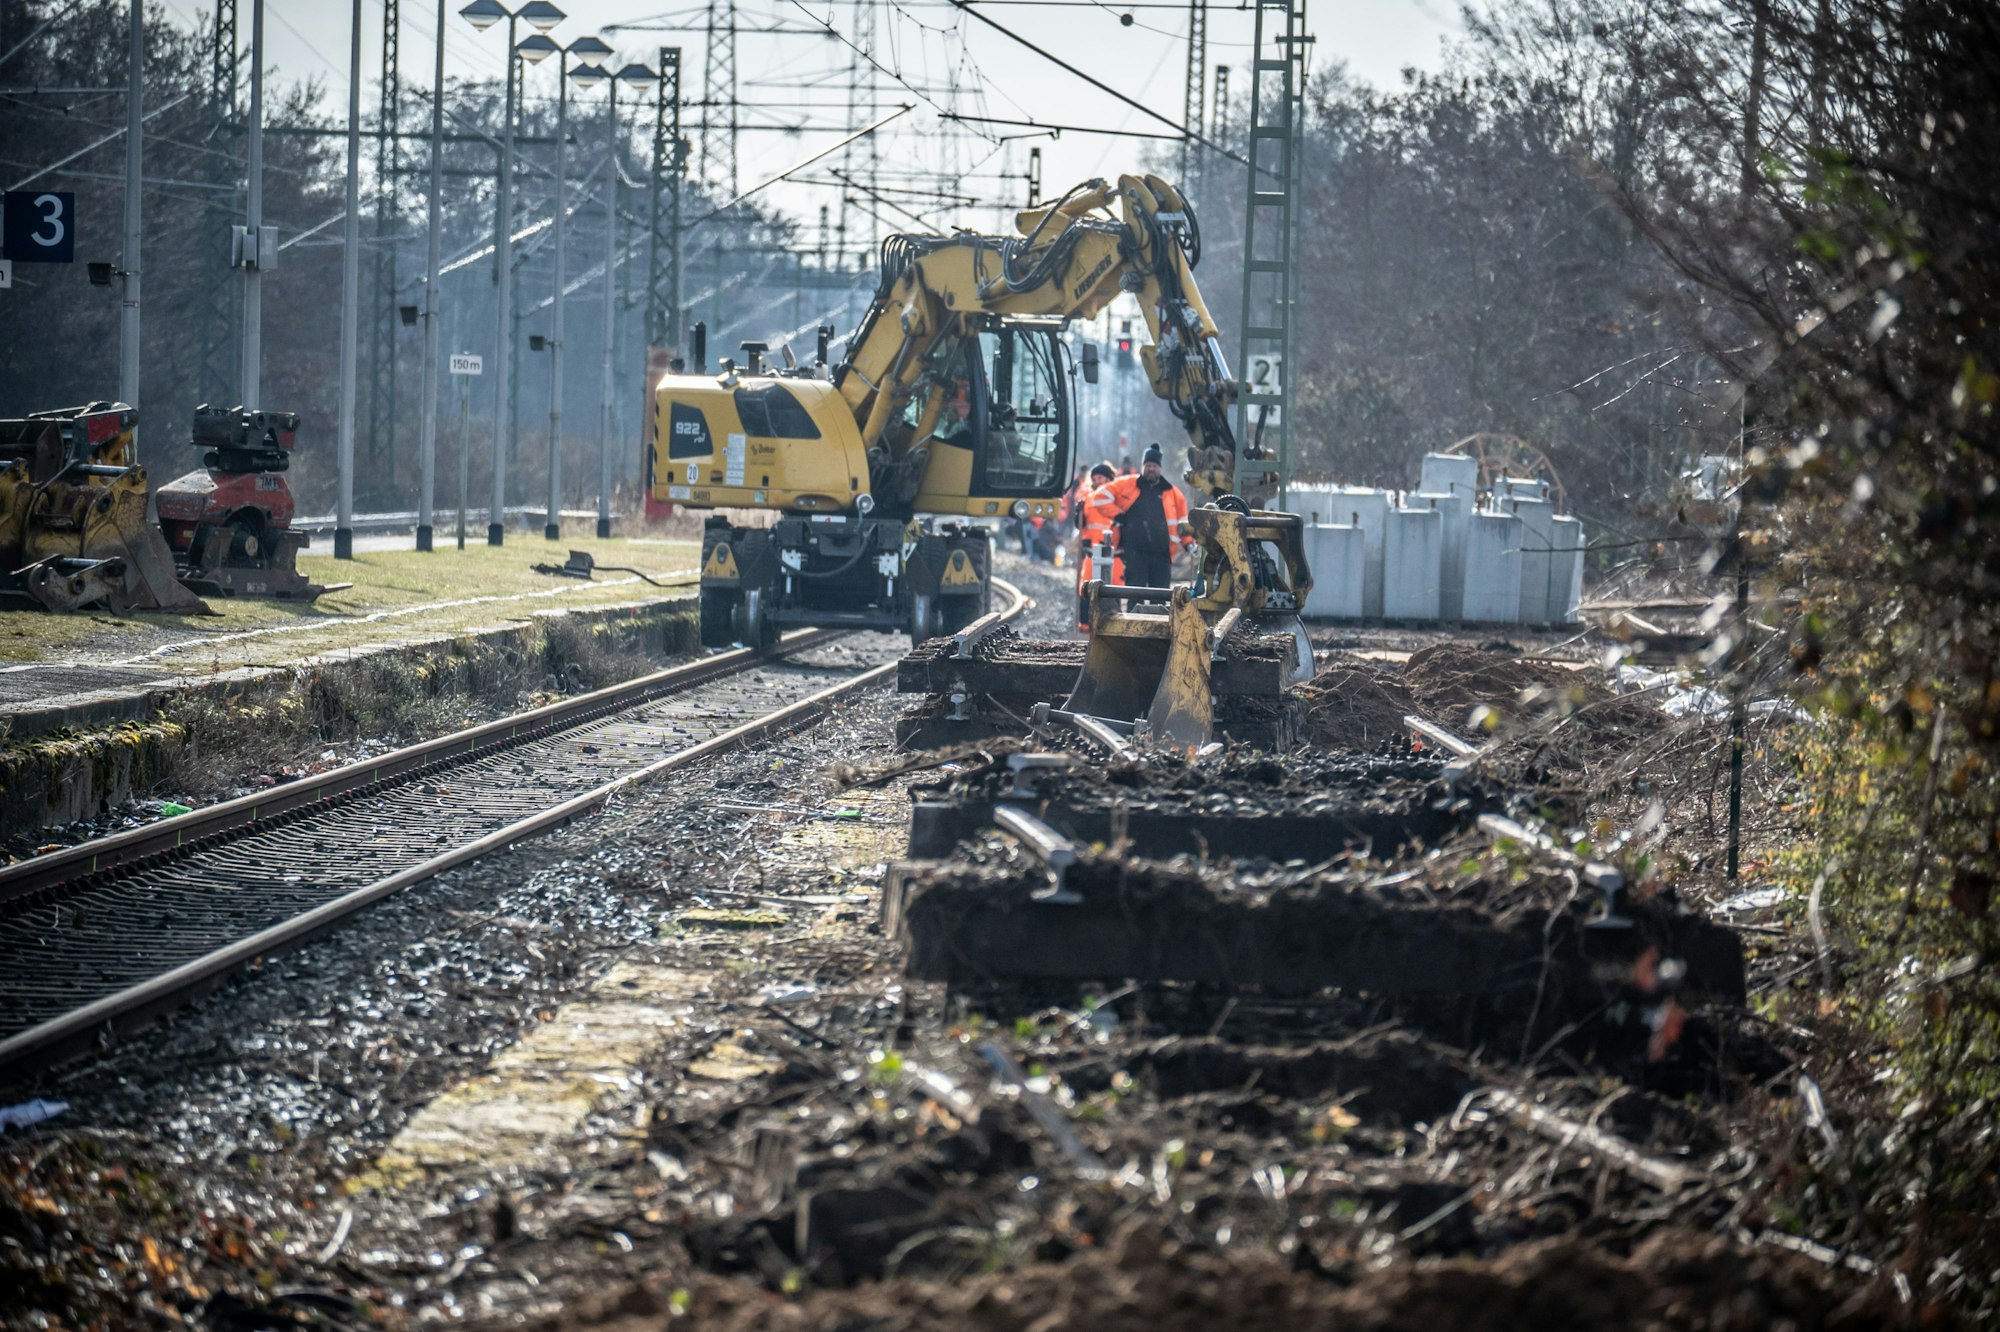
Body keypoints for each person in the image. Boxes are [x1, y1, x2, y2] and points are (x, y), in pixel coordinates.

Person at [1095, 443, 1192, 591]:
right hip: (1135, 555)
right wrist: (1118, 516)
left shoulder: (1173, 493)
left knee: (1160, 600)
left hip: (1163, 556)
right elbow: (1100, 497)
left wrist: (1188, 543)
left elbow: (1183, 523)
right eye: (1148, 465)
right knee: (1134, 595)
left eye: (1154, 465)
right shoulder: (1128, 484)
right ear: (1143, 466)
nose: (1151, 468)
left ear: (1160, 468)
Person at [1074, 461, 1119, 628]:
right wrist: (1078, 513)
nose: (1097, 480)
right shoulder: (1086, 498)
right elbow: (1080, 524)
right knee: (1086, 587)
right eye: (1095, 478)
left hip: (1111, 551)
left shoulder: (1116, 498)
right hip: (1091, 551)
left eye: (1100, 477)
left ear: (1108, 479)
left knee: (1111, 588)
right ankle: (1085, 625)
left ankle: (1111, 623)